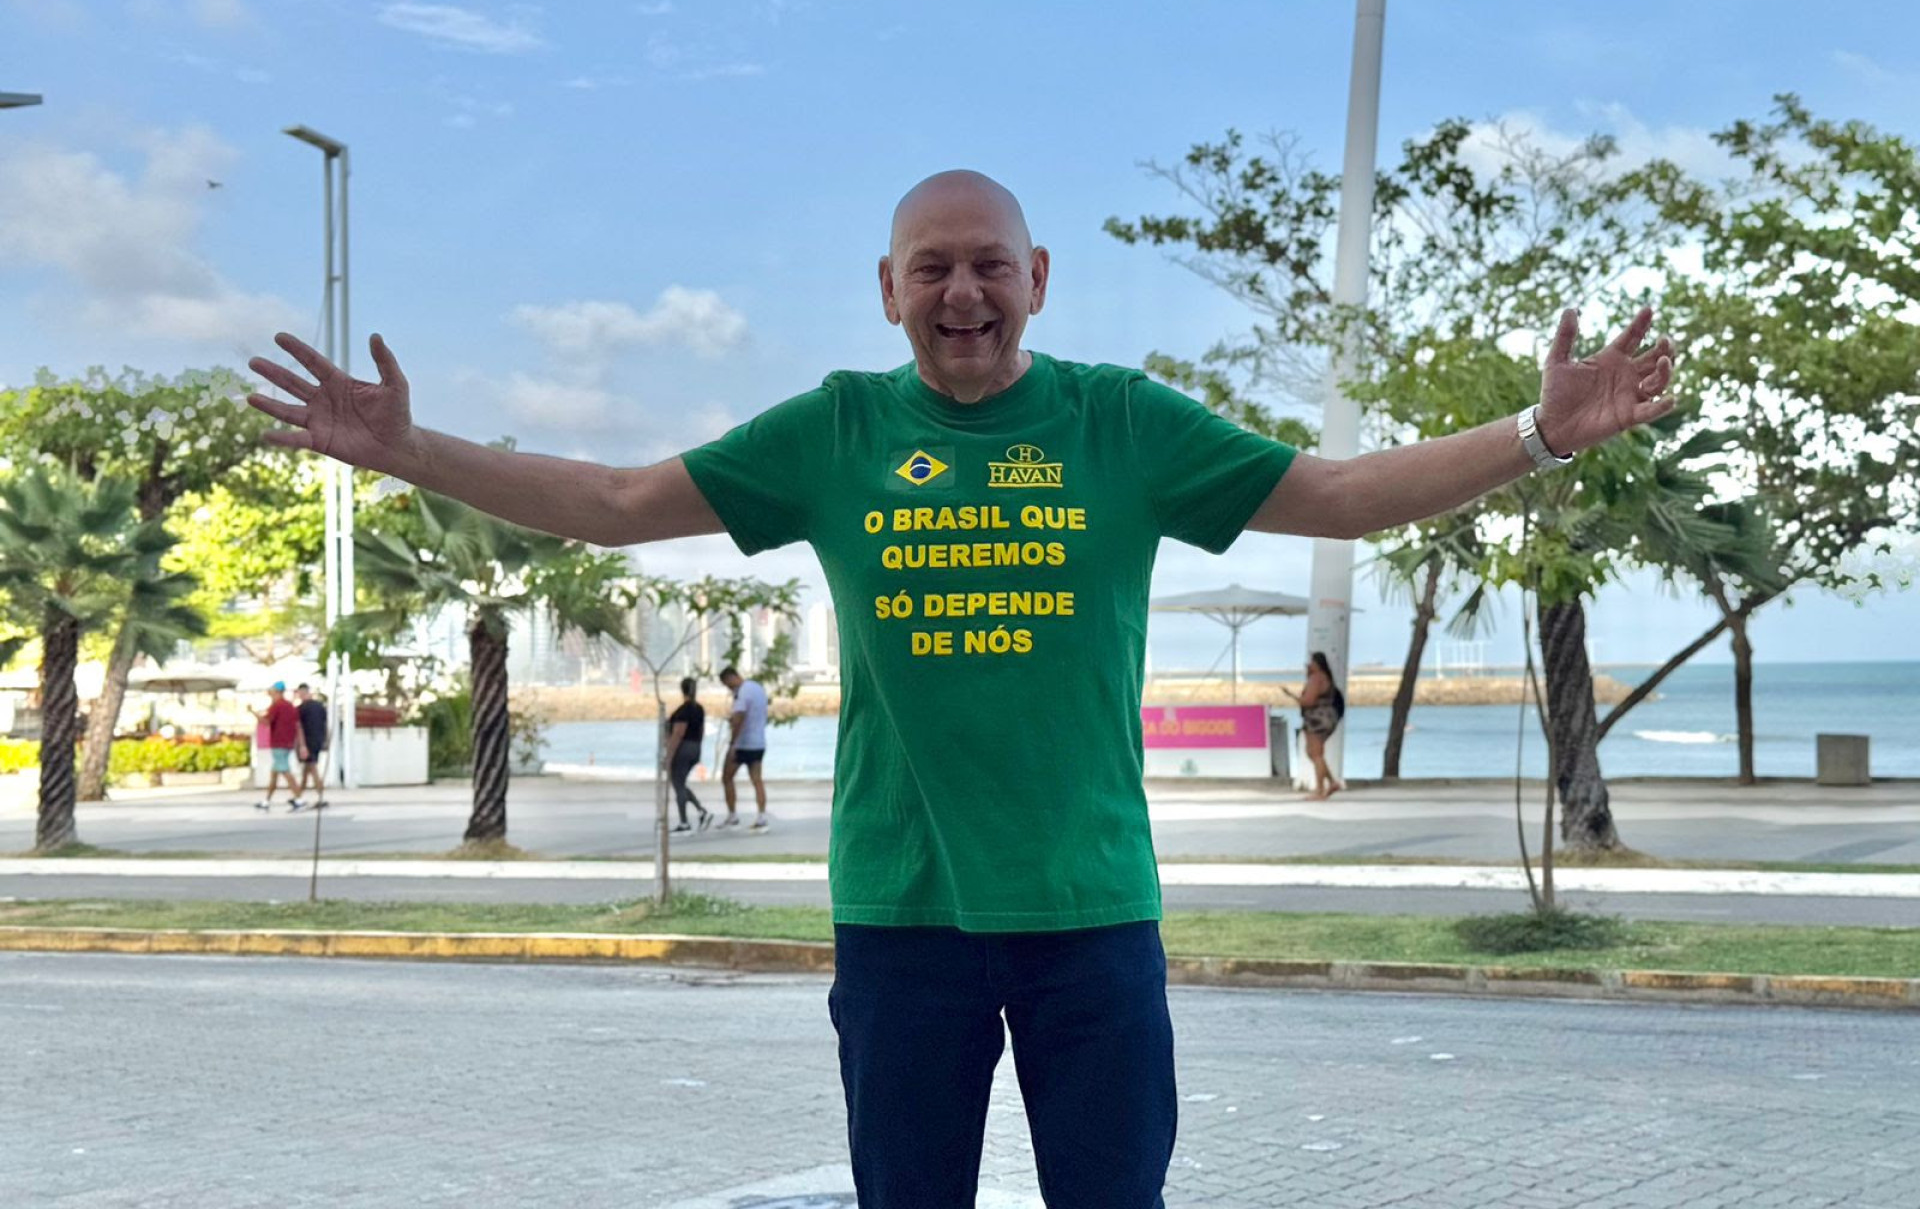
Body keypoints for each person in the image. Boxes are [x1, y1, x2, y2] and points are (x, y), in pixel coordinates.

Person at [247, 169, 1675, 1208]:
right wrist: (412, 450)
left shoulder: (1122, 421)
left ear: (1038, 278)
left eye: (988, 263)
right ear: (888, 291)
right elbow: (619, 498)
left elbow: (1344, 494)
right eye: (931, 267)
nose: (963, 291)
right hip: (902, 914)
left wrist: (1541, 432)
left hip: (1091, 911)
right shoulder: (838, 428)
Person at [717, 665, 771, 831]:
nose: (728, 688)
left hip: (743, 744)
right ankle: (761, 816)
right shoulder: (757, 688)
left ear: (731, 677)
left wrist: (733, 743)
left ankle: (732, 815)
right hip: (758, 742)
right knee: (757, 780)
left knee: (727, 777)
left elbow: (739, 717)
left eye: (727, 684)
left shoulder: (742, 692)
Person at [1292, 650, 1346, 799]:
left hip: (1317, 719)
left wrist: (1297, 699)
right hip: (1325, 717)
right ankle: (1332, 781)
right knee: (1313, 752)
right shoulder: (1325, 678)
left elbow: (1309, 701)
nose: (1307, 665)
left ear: (1316, 664)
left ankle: (1320, 790)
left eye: (1310, 662)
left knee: (1316, 753)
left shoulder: (1316, 678)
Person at [665, 675, 712, 833]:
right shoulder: (699, 709)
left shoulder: (683, 712)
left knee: (678, 785)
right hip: (695, 747)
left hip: (683, 749)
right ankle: (701, 811)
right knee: (681, 785)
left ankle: (684, 822)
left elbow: (678, 734)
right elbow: (702, 730)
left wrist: (669, 756)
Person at [253, 682, 303, 811]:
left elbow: (266, 722)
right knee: (274, 773)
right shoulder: (290, 706)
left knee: (285, 771)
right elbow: (297, 725)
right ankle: (266, 801)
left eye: (273, 692)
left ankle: (299, 799)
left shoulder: (277, 706)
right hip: (287, 742)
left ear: (277, 692)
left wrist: (253, 713)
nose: (271, 695)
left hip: (278, 743)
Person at [292, 683, 329, 809]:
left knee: (312, 769)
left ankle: (320, 796)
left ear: (301, 693)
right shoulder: (320, 706)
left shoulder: (301, 709)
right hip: (318, 740)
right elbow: (325, 724)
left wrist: (302, 745)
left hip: (307, 742)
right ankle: (299, 795)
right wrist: (325, 740)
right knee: (307, 770)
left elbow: (299, 727)